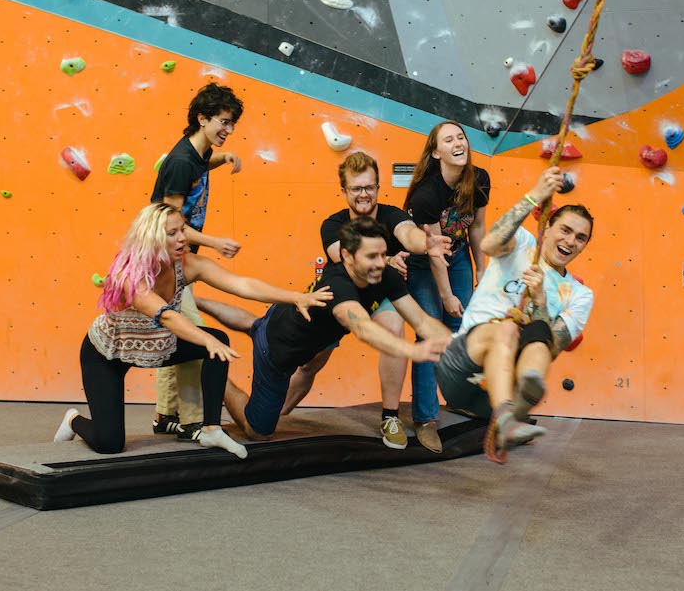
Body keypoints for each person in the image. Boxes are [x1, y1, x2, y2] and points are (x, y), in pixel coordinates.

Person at [53, 203, 332, 456]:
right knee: (109, 444)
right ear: (153, 238)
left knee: (216, 339)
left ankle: (211, 430)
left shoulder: (187, 265)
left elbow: (242, 284)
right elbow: (166, 317)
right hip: (108, 353)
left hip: (158, 345)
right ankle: (73, 420)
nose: (183, 238)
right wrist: (205, 340)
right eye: (173, 233)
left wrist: (294, 296)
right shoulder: (129, 274)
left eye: (183, 229)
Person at [205, 217, 452, 441]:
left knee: (256, 325)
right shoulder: (338, 285)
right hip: (276, 352)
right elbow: (362, 327)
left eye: (383, 254)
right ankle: (218, 378)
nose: (380, 263)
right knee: (257, 431)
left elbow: (420, 320)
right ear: (347, 255)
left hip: (280, 316)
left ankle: (194, 301)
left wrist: (460, 345)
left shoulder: (384, 274)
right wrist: (410, 350)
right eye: (371, 257)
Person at [273, 152, 451, 451]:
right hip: (339, 299)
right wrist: (390, 259)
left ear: (378, 187)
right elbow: (343, 258)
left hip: (381, 297)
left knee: (394, 328)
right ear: (345, 191)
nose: (363, 194)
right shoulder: (333, 224)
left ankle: (390, 416)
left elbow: (408, 235)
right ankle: (272, 416)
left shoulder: (393, 215)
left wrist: (425, 244)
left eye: (369, 187)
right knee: (309, 367)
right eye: (356, 188)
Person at [434, 166, 595, 463]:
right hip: (461, 369)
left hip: (502, 387)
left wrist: (540, 303)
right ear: (547, 228)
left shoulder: (580, 295)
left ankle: (515, 407)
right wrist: (536, 194)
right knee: (507, 329)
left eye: (581, 238)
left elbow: (552, 350)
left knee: (538, 338)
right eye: (566, 230)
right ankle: (511, 412)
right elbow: (488, 244)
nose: (571, 241)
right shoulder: (521, 243)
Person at [148, 82, 244, 441]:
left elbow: (200, 166)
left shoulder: (198, 153)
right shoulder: (180, 161)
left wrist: (225, 158)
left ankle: (163, 414)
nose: (228, 130)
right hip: (166, 262)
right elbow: (173, 223)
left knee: (174, 333)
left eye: (232, 124)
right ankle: (192, 420)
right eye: (222, 122)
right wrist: (215, 242)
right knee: (193, 335)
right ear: (202, 119)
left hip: (179, 261)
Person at [401, 121, 491, 452]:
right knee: (430, 334)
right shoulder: (426, 194)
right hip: (425, 260)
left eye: (461, 137)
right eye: (449, 139)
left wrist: (483, 270)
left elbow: (478, 227)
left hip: (459, 254)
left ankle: (462, 398)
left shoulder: (479, 178)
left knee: (460, 330)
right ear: (436, 152)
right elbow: (435, 253)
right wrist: (447, 295)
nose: (458, 143)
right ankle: (425, 418)